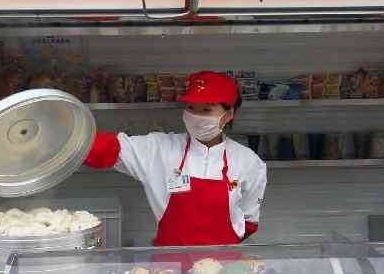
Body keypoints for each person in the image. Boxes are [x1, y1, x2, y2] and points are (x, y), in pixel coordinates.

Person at [85, 71, 267, 246]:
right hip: (169, 268)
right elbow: (108, 148)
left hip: (223, 268)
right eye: (191, 108)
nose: (196, 116)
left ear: (228, 115)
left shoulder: (249, 162)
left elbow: (249, 223)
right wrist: (67, 134)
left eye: (206, 109)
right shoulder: (159, 148)